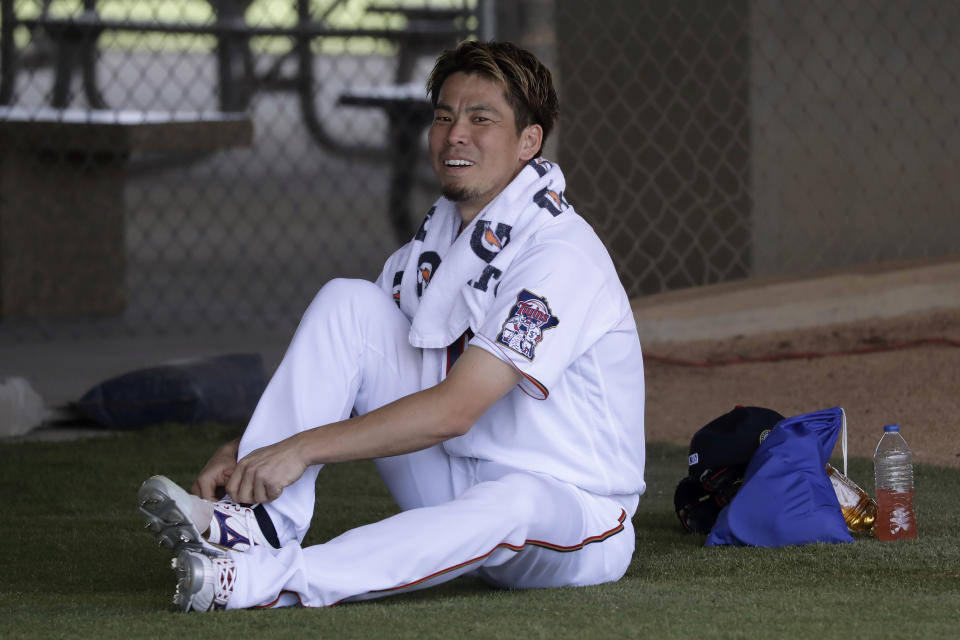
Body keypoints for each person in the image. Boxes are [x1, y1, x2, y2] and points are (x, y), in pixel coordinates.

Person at [137, 40, 646, 611]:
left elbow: (456, 410)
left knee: (514, 501)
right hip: (458, 476)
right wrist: (248, 452)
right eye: (444, 116)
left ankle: (267, 582)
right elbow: (344, 368)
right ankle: (250, 528)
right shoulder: (434, 246)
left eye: (482, 119)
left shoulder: (559, 254)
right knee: (347, 303)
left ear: (529, 142)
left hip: (570, 513)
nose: (456, 134)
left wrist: (299, 449)